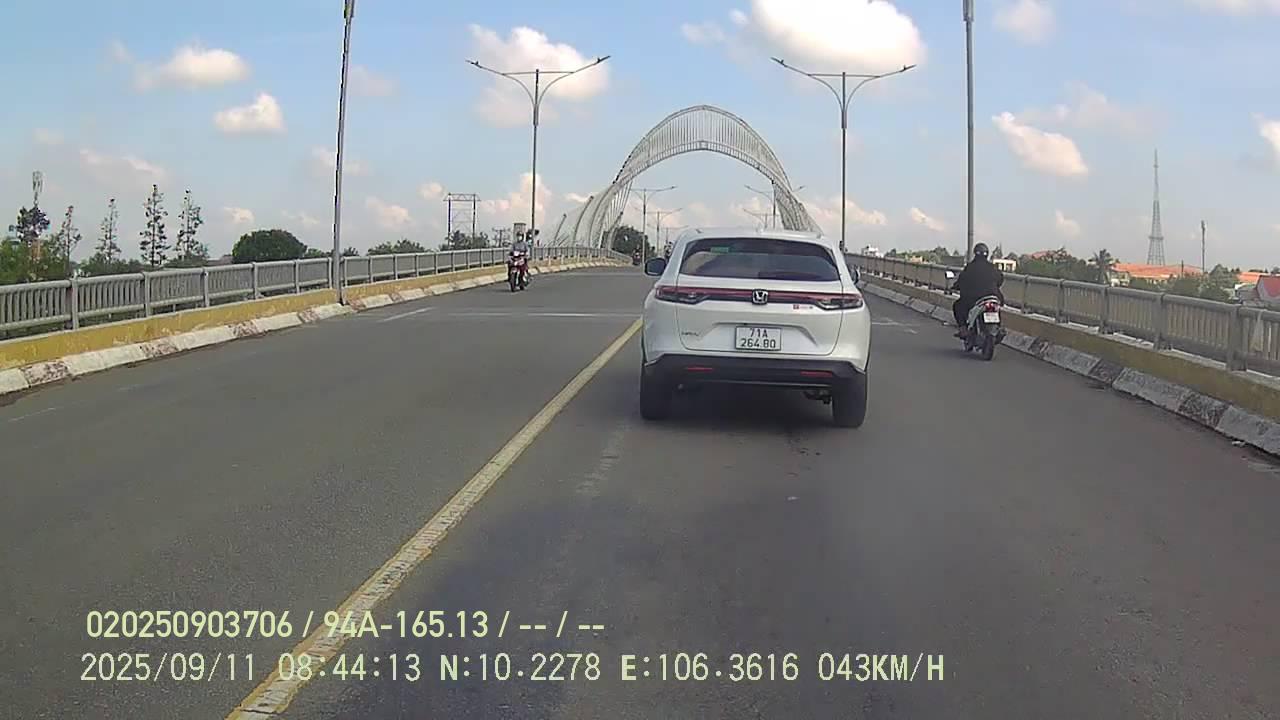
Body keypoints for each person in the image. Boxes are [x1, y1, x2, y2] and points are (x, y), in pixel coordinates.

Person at [951, 242, 1004, 336]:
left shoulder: (970, 267)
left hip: (974, 298)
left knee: (958, 306)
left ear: (975, 253)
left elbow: (961, 280)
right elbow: (1000, 279)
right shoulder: (992, 267)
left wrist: (955, 286)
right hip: (994, 296)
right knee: (997, 307)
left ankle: (963, 329)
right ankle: (999, 328)